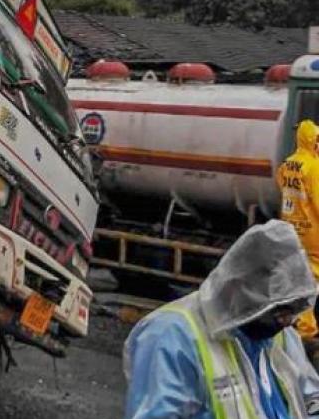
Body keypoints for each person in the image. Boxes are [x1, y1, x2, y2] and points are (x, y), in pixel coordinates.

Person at [124, 220, 319, 418]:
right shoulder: (172, 336)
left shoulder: (279, 336)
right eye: (279, 311)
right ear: (242, 292)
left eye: (293, 310)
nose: (287, 321)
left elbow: (310, 397)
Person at [279, 120, 319, 342]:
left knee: (299, 276)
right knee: (311, 280)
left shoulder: (288, 164)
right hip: (314, 234)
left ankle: (300, 323)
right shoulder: (314, 167)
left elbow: (282, 187)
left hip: (294, 230)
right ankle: (306, 326)